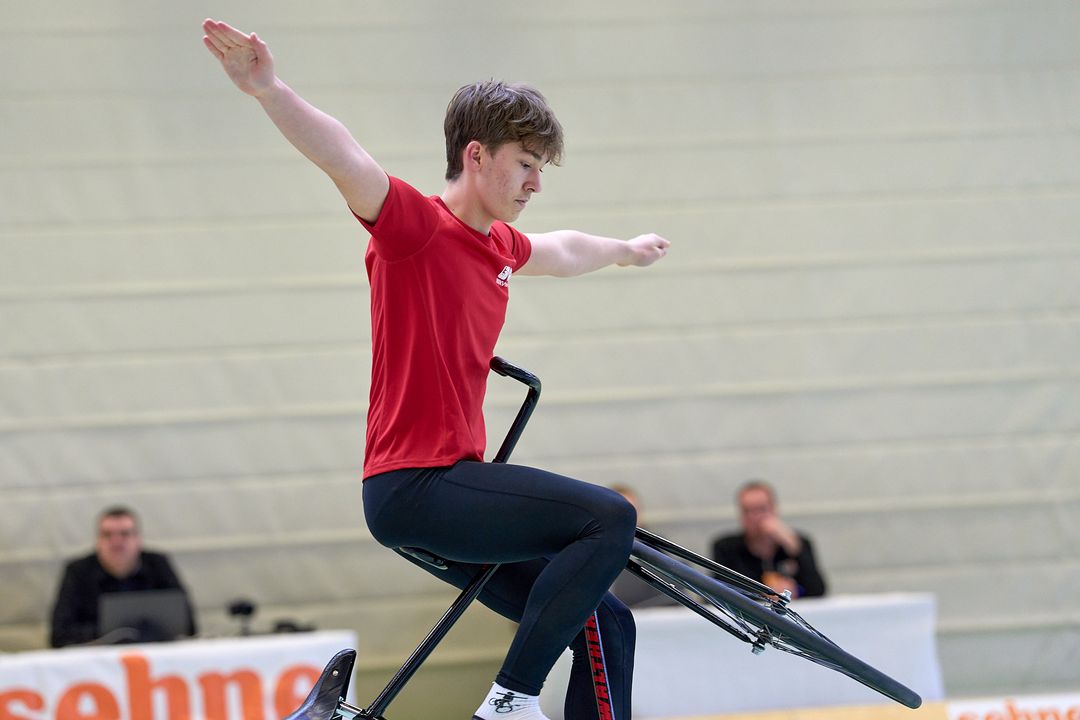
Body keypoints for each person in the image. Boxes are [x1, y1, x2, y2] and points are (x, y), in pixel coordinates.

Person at [202, 19, 670, 720]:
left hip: (449, 493)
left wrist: (627, 250)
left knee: (606, 622)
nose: (537, 182)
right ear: (476, 156)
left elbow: (565, 248)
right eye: (527, 162)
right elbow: (344, 157)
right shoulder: (415, 229)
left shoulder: (499, 247)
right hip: (418, 485)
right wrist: (268, 88)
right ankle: (509, 703)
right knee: (609, 519)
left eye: (543, 168)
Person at [49, 506, 197, 647]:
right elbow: (59, 635)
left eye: (125, 534)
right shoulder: (78, 572)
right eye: (107, 535)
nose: (116, 542)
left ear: (138, 539)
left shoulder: (158, 565)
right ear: (98, 541)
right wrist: (114, 633)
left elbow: (188, 625)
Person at [711, 480, 826, 599]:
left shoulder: (798, 543)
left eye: (761, 509)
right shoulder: (726, 548)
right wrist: (764, 593)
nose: (754, 517)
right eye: (747, 511)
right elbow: (719, 591)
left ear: (774, 509)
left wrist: (795, 549)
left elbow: (818, 591)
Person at [607, 485, 675, 609]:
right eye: (619, 512)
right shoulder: (590, 552)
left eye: (631, 511)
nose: (626, 518)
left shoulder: (656, 552)